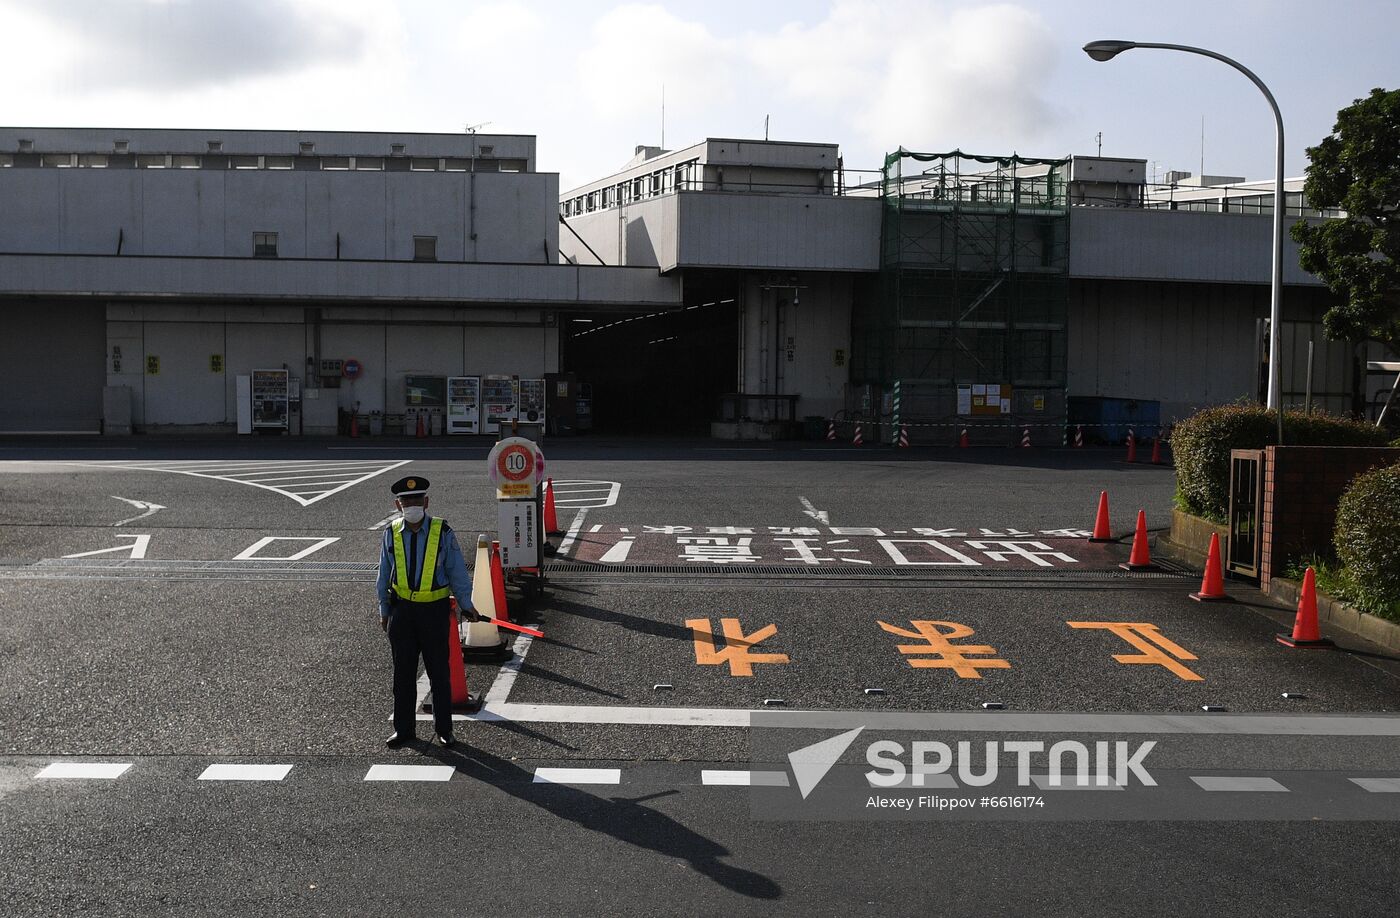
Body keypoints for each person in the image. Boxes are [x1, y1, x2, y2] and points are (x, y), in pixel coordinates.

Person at [376, 475, 479, 748]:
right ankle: (404, 730)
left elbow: (457, 570)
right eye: (406, 501)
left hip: (434, 611)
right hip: (403, 612)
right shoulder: (391, 533)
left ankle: (445, 730)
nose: (412, 505)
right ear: (398, 505)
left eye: (416, 500)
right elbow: (384, 574)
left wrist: (467, 606)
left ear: (427, 502)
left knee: (439, 674)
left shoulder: (442, 531)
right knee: (403, 675)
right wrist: (384, 610)